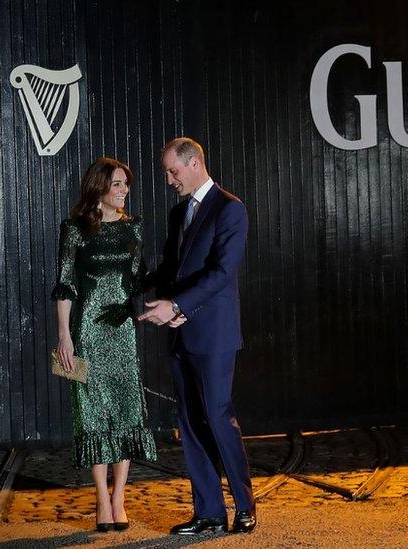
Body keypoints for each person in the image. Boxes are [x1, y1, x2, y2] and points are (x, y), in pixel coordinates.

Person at [138, 137, 256, 535]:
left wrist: (178, 306)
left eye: (172, 171)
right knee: (189, 423)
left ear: (193, 163)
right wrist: (127, 283)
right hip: (181, 332)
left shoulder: (231, 209)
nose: (169, 180)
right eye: (167, 173)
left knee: (219, 418)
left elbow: (223, 273)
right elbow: (171, 268)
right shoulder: (178, 215)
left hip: (215, 333)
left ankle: (244, 506)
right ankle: (208, 512)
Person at [52, 156, 157, 532]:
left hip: (122, 329)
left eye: (126, 184)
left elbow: (139, 279)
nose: (124, 191)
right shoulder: (75, 229)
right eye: (117, 185)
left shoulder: (135, 228)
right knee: (92, 414)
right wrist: (64, 336)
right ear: (99, 187)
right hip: (87, 333)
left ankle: (119, 498)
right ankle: (100, 499)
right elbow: (65, 286)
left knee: (127, 410)